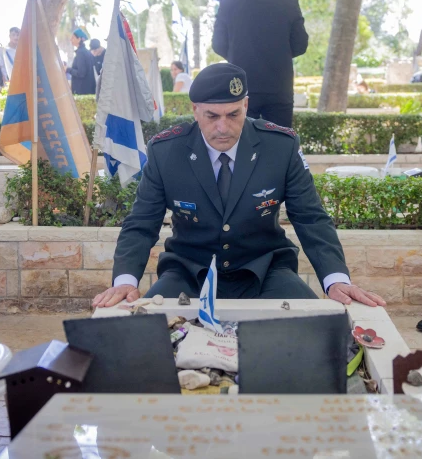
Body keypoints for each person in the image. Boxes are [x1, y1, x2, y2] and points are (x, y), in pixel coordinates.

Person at [91, 63, 387, 307]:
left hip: (265, 270)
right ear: (195, 110)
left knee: (318, 330)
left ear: (245, 105)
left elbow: (310, 217)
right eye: (212, 116)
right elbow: (141, 223)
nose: (223, 127)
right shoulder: (166, 151)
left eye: (233, 114)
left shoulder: (279, 147)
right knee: (146, 333)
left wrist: (336, 280)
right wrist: (125, 282)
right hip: (190, 272)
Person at [212, 0, 309, 128]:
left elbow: (218, 44)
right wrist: (280, 54)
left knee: (244, 145)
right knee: (280, 144)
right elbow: (301, 44)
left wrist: (237, 56)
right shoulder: (289, 2)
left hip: (240, 86)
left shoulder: (228, 2)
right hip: (279, 86)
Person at [68, 28, 96, 95]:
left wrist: (68, 69)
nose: (71, 40)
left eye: (73, 38)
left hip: (82, 92)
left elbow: (81, 73)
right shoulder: (86, 52)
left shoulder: (81, 53)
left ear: (79, 39)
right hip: (88, 91)